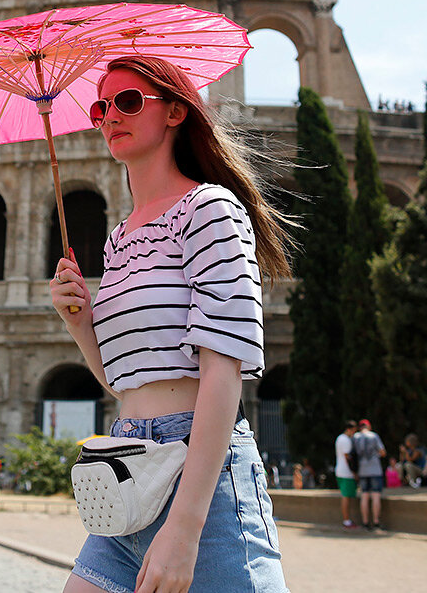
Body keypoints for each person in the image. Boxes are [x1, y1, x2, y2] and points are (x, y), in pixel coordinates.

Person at [51, 55, 294, 592]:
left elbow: (222, 372)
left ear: (177, 112)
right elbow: (125, 383)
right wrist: (81, 324)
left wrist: (185, 525)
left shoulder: (209, 209)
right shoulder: (119, 237)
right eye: (100, 106)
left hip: (201, 474)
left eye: (128, 101)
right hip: (126, 465)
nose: (109, 114)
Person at [353, 418, 386, 531]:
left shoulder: (355, 438)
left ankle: (365, 522)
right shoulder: (374, 436)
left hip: (362, 470)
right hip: (375, 469)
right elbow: (382, 452)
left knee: (364, 496)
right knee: (376, 496)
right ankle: (376, 522)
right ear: (369, 426)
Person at [334, 420, 359, 529]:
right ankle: (346, 520)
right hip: (346, 472)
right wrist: (354, 472)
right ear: (349, 429)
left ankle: (347, 520)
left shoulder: (340, 438)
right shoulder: (345, 440)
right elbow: (347, 457)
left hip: (340, 471)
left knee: (346, 496)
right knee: (346, 497)